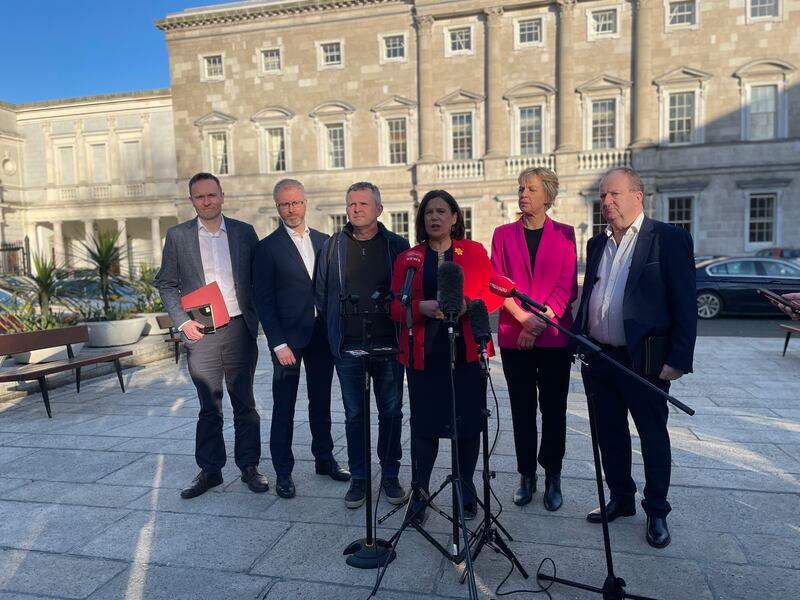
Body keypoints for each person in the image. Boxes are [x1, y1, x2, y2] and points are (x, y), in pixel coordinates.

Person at [574, 167, 696, 548]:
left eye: (614, 195)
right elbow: (593, 293)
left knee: (652, 436)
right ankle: (621, 499)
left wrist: (678, 358)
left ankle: (657, 510)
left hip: (644, 359)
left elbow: (685, 304)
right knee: (609, 434)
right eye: (602, 196)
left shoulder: (668, 239)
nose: (606, 202)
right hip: (600, 358)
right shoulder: (598, 243)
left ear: (637, 196)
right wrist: (579, 335)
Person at [390, 190, 502, 524]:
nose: (434, 218)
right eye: (428, 213)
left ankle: (465, 491)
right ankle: (420, 494)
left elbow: (492, 293)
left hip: (466, 353)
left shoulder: (473, 252)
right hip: (425, 356)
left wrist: (469, 304)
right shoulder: (408, 258)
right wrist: (418, 308)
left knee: (467, 426)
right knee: (424, 428)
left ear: (455, 217)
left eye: (441, 211)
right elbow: (395, 306)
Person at [155, 172, 269, 499]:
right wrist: (182, 322)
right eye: (199, 197)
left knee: (244, 402)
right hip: (201, 332)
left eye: (211, 195)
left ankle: (249, 466)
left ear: (222, 196)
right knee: (210, 405)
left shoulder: (244, 233)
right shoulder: (178, 236)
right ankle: (211, 469)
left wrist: (258, 318)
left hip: (238, 329)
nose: (206, 201)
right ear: (192, 201)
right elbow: (166, 283)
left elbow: (259, 279)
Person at [251, 179, 350, 500]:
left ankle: (325, 459)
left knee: (321, 403)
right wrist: (277, 343)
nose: (291, 209)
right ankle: (283, 472)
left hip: (322, 336)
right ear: (277, 206)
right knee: (284, 407)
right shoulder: (266, 248)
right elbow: (263, 300)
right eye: (284, 204)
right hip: (288, 341)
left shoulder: (326, 242)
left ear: (305, 203)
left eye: (295, 203)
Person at [314, 182, 410, 509]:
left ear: (379, 209)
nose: (356, 209)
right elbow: (322, 294)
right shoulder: (332, 247)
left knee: (391, 412)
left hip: (389, 345)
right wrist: (334, 336)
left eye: (363, 204)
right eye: (351, 203)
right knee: (355, 415)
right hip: (349, 347)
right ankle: (358, 477)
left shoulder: (397, 246)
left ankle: (391, 474)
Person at [490, 167, 577, 511]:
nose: (523, 194)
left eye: (531, 189)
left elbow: (567, 286)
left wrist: (539, 321)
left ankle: (552, 474)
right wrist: (524, 319)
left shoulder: (566, 234)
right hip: (516, 336)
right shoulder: (503, 234)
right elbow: (497, 282)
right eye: (521, 188)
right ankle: (527, 475)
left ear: (548, 196)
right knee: (521, 410)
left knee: (554, 410)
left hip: (554, 337)